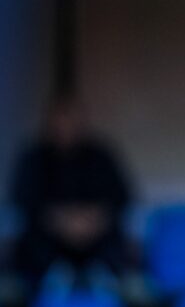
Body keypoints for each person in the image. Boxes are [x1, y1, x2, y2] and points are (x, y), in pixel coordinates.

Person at [8, 96, 132, 299]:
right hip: (49, 240)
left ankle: (103, 282)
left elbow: (121, 197)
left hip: (96, 237)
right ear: (49, 122)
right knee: (32, 242)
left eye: (72, 120)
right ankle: (50, 282)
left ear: (83, 121)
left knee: (114, 241)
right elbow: (24, 200)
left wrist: (93, 220)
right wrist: (61, 221)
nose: (66, 127)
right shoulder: (34, 157)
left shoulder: (101, 156)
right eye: (60, 121)